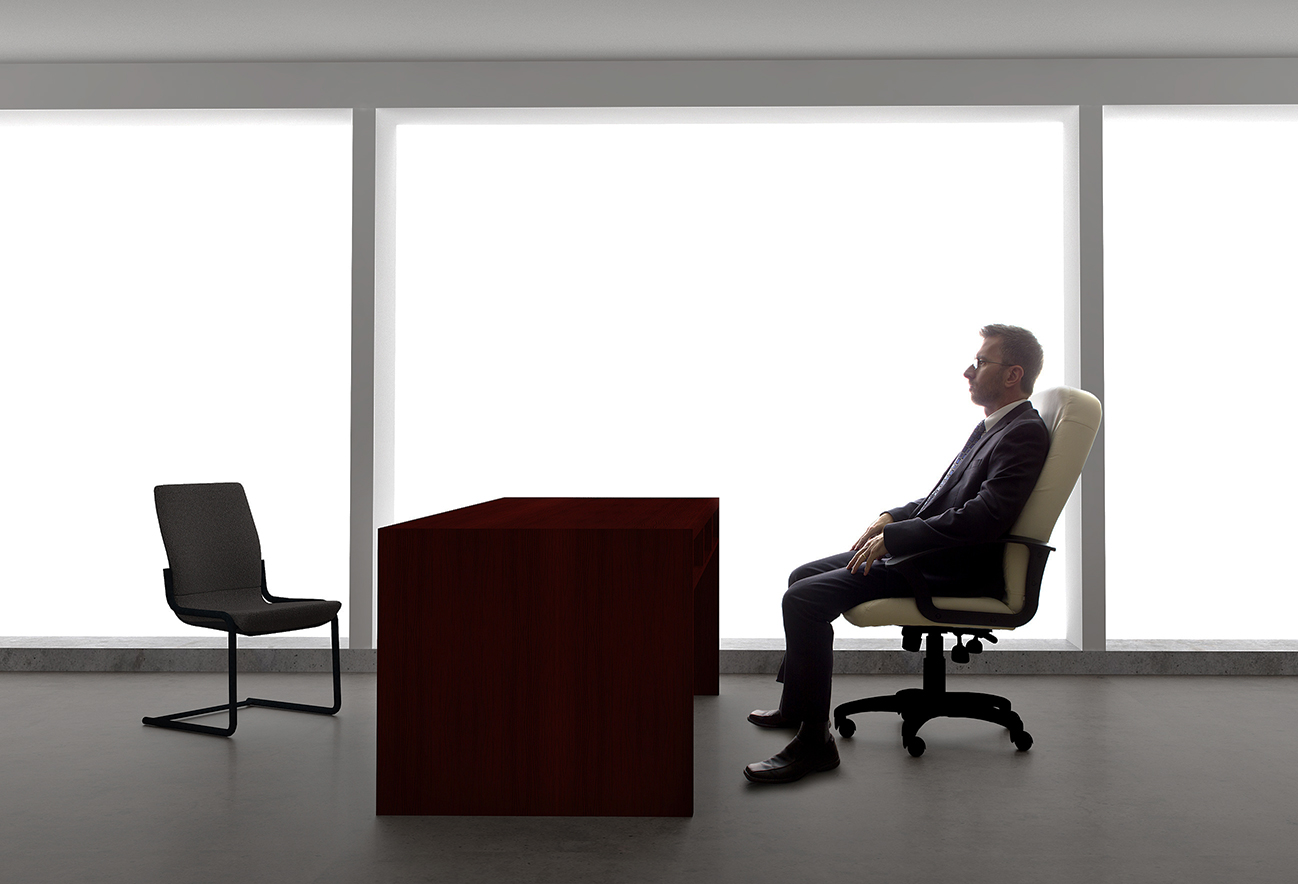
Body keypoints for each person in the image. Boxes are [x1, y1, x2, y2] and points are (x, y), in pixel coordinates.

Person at [743, 324, 1051, 785]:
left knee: (803, 600)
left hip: (950, 570)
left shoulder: (1023, 433)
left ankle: (815, 743)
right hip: (931, 554)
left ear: (1013, 374)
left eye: (981, 361)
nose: (969, 370)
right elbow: (943, 499)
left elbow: (985, 517)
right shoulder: (995, 426)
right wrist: (891, 518)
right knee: (801, 575)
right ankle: (797, 706)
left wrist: (898, 540)